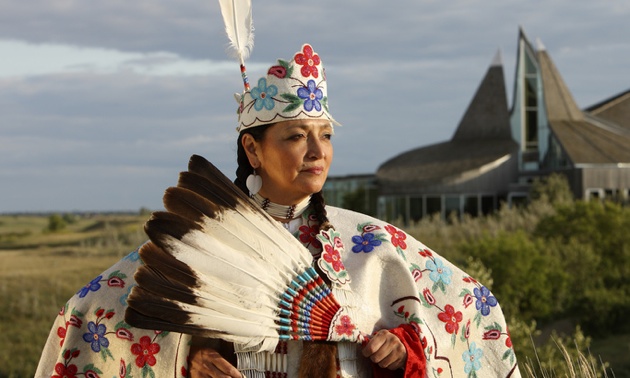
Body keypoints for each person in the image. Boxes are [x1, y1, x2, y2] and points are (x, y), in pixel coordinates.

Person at [36, 43, 521, 378]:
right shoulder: (205, 242)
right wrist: (188, 357)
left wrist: (403, 350)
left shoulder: (370, 245)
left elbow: (469, 311)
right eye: (296, 136)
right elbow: (92, 315)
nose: (318, 151)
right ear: (252, 149)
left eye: (326, 135)